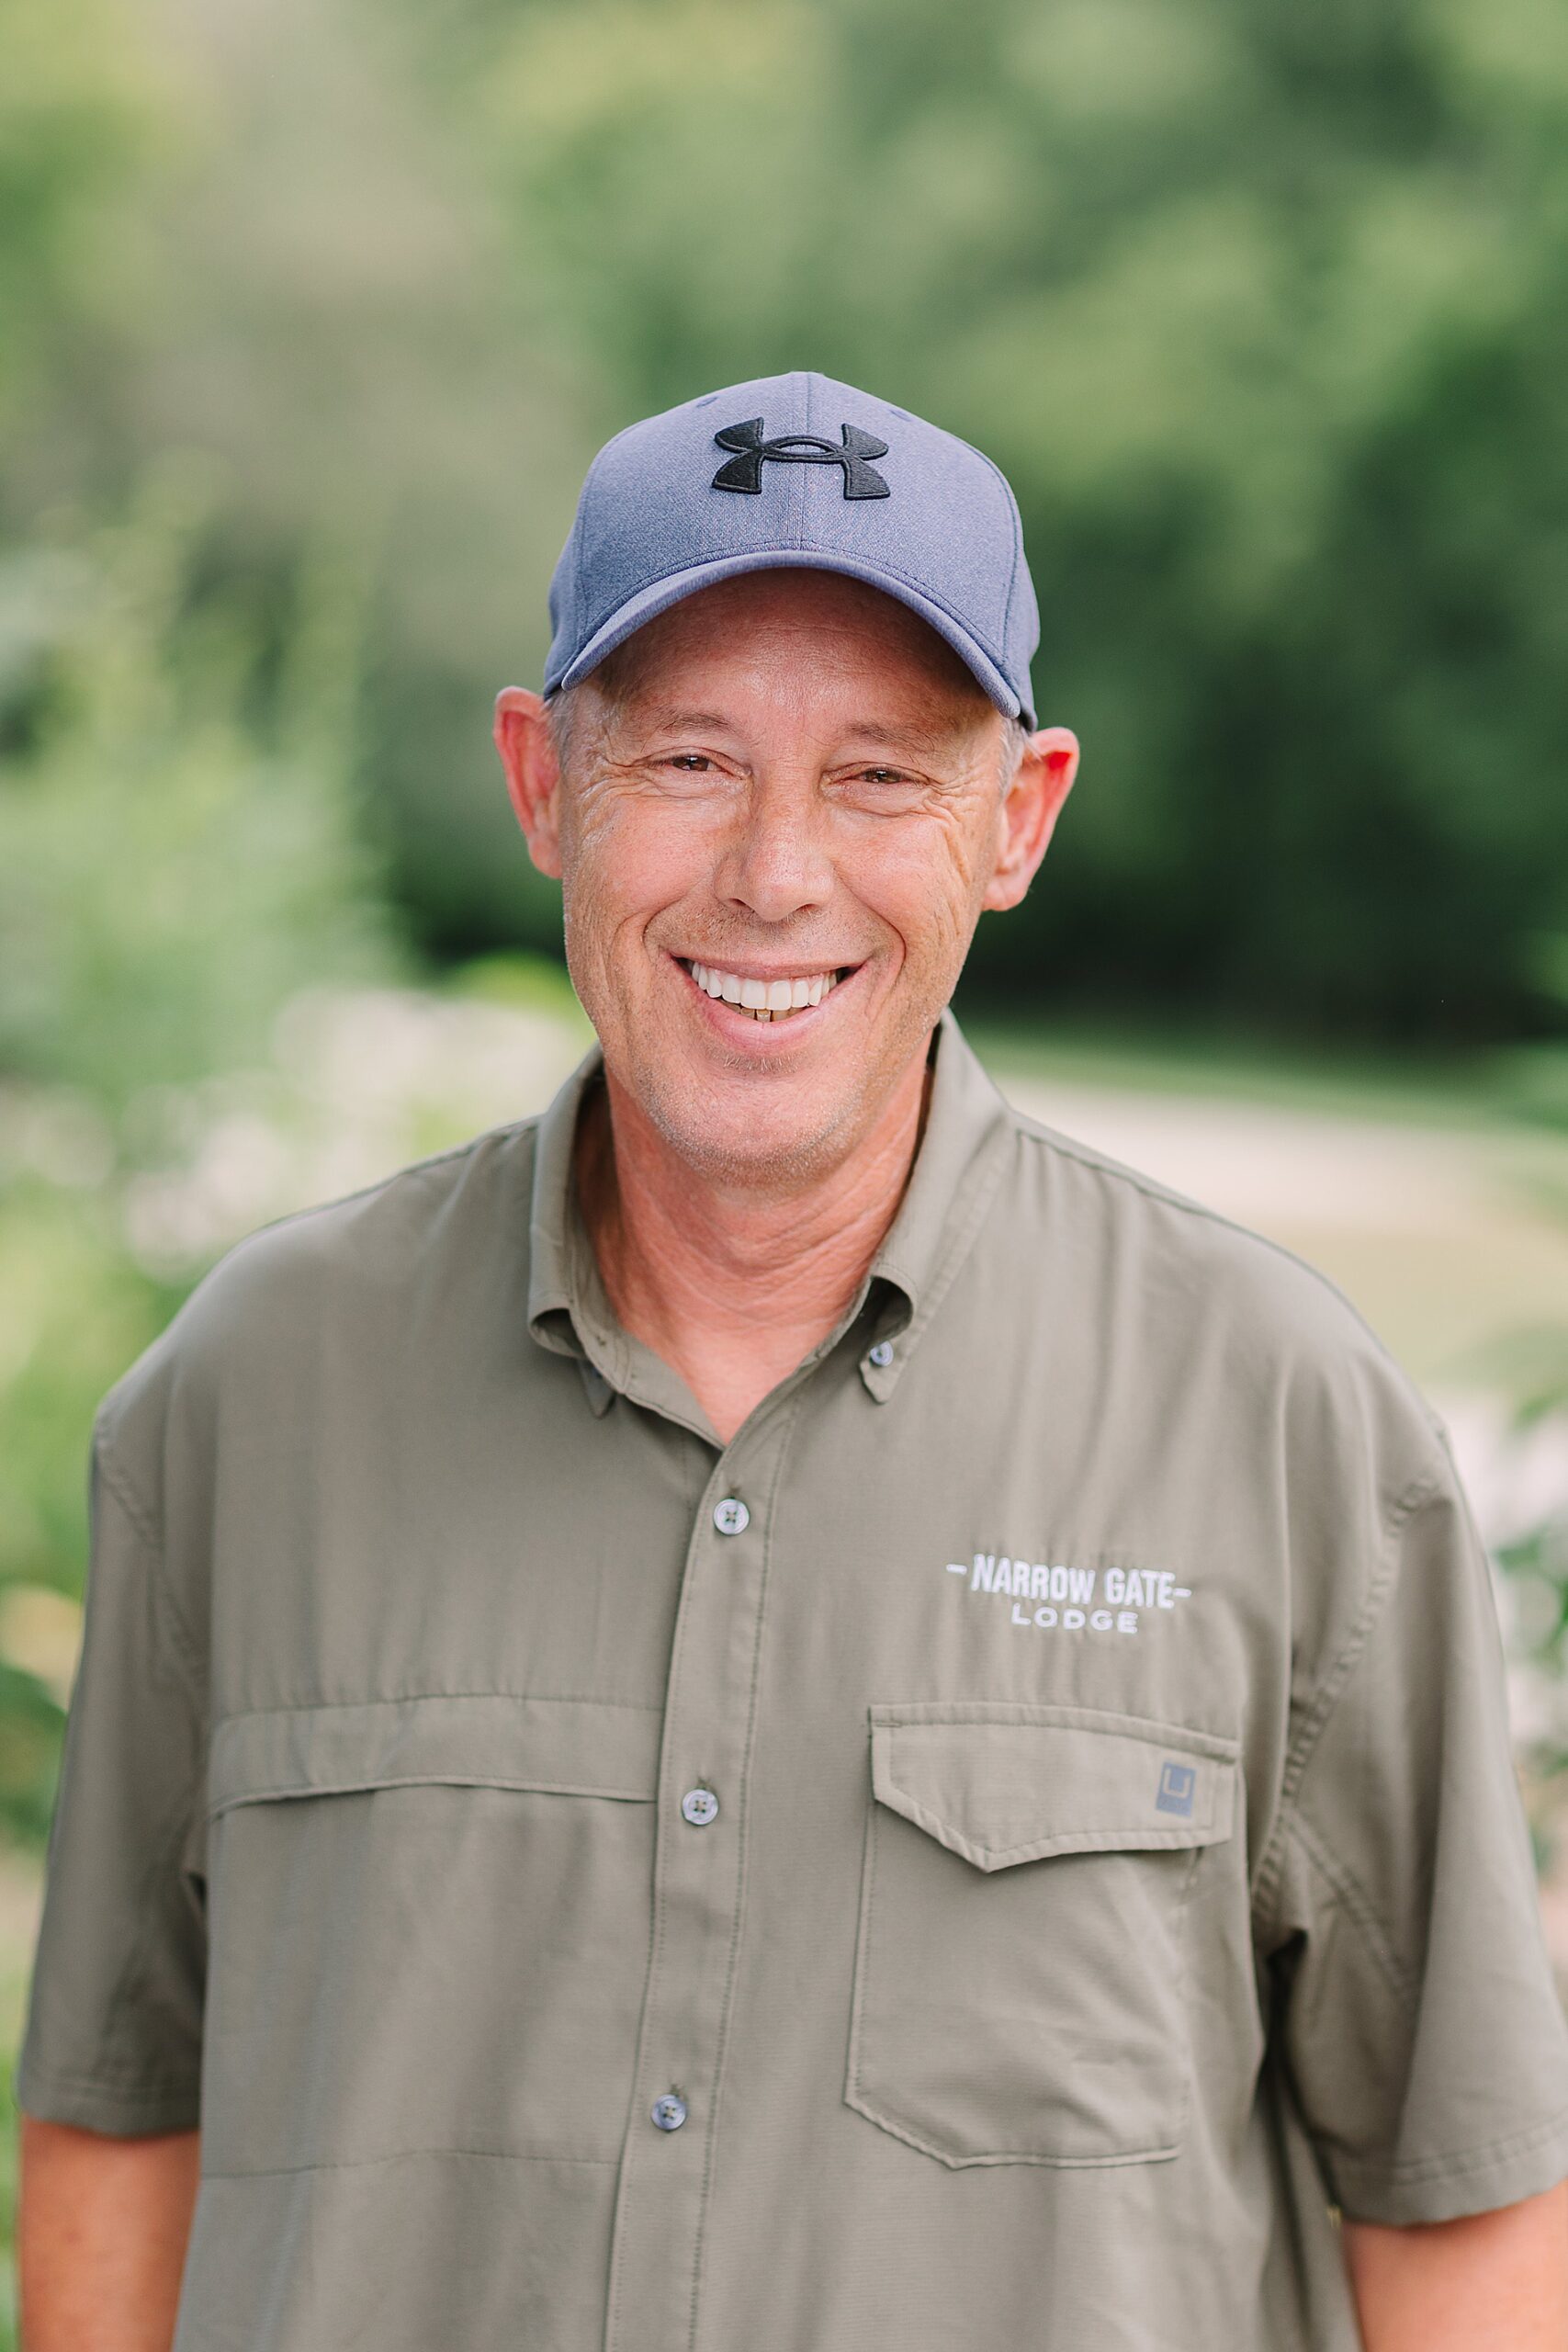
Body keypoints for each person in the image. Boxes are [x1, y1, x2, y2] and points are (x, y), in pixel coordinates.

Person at [13, 370, 1568, 2352]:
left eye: (878, 774)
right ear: (536, 779)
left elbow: (1459, 2198)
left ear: (1018, 816)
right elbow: (122, 2114)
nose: (770, 874)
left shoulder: (1286, 1422)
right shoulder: (249, 1398)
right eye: (682, 759)